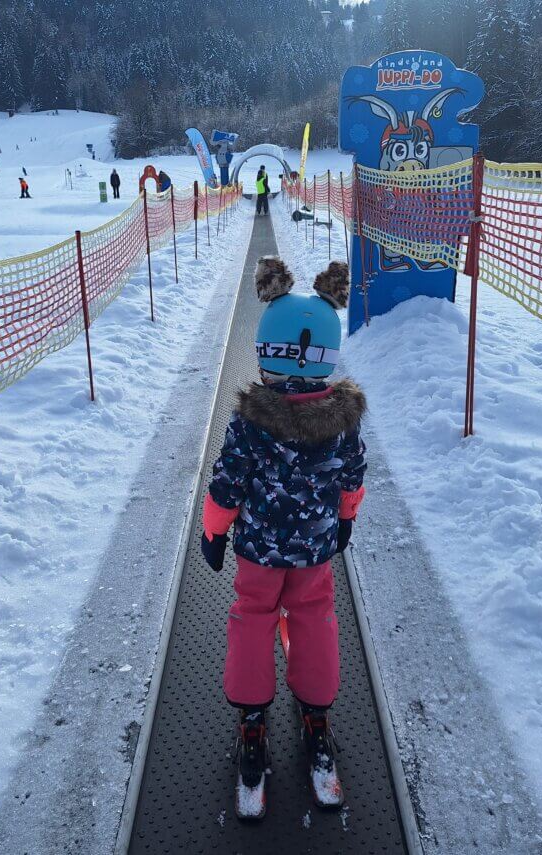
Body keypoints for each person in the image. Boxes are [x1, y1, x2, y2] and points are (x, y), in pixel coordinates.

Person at [200, 257, 363, 819]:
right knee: (314, 617)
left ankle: (252, 721)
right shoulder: (342, 419)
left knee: (252, 618)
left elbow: (227, 482)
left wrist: (214, 531)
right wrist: (345, 517)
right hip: (314, 550)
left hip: (259, 552)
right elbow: (352, 475)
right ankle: (316, 717)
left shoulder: (251, 420)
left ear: (266, 350)